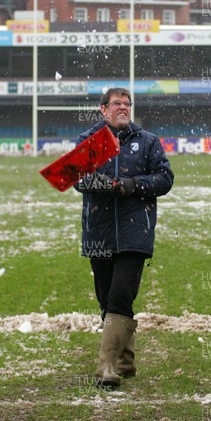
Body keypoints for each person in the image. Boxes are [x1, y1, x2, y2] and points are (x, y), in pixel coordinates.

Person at [75, 87, 174, 388]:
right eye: (116, 104)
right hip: (99, 232)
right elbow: (76, 178)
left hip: (135, 232)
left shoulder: (147, 142)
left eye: (126, 104)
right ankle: (126, 358)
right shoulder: (90, 141)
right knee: (107, 298)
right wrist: (99, 183)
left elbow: (165, 179)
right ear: (103, 109)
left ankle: (107, 367)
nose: (123, 108)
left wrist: (130, 184)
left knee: (120, 294)